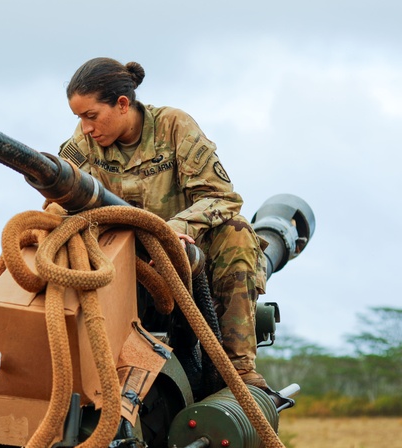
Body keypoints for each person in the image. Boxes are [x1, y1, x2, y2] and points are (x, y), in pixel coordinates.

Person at [60, 57, 273, 391]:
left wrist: (178, 229)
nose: (86, 127)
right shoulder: (84, 144)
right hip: (123, 259)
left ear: (122, 104)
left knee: (238, 234)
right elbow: (63, 206)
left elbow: (222, 197)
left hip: (189, 254)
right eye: (80, 119)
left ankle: (236, 368)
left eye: (91, 116)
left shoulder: (174, 126)